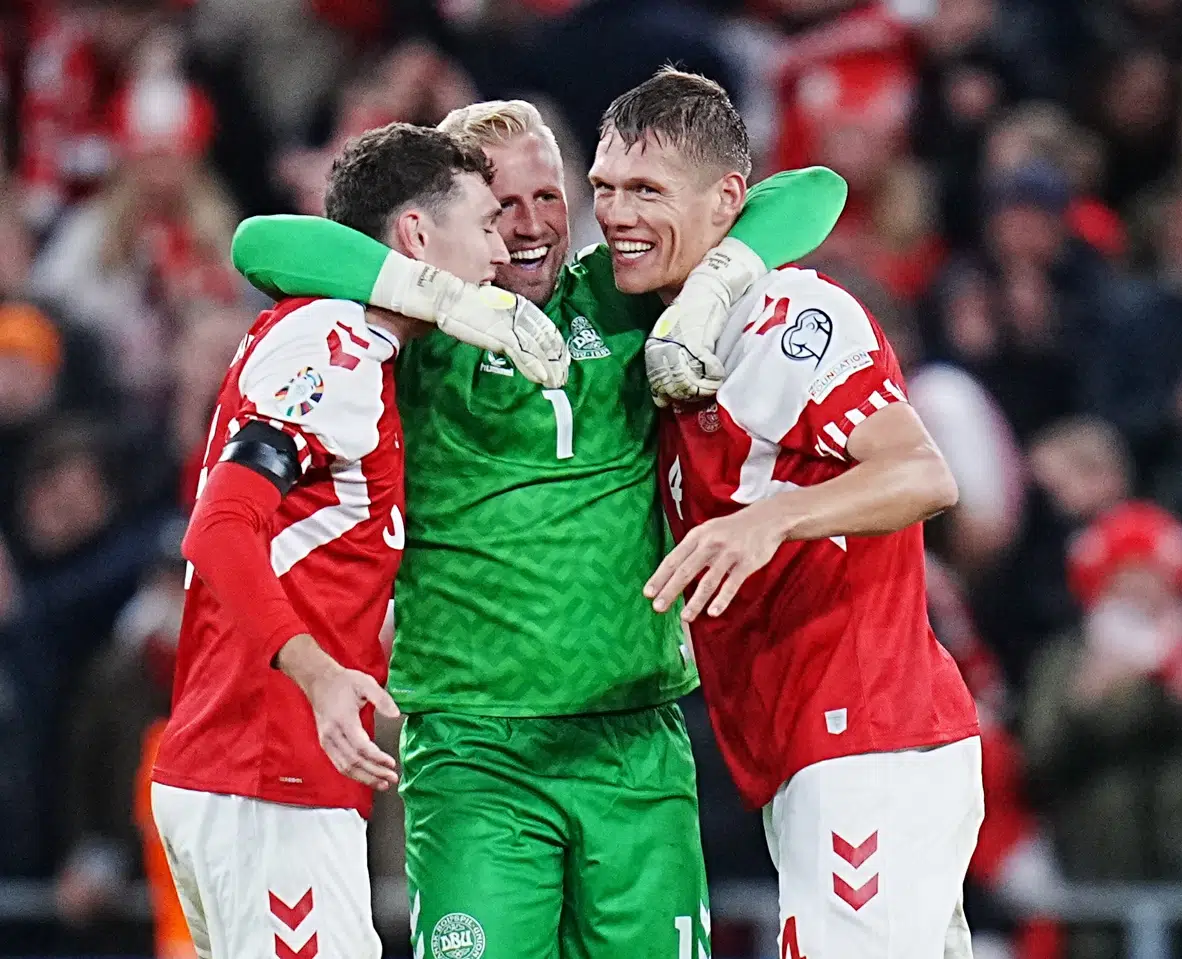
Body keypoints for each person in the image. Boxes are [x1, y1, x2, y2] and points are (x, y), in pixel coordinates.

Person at [227, 100, 847, 958]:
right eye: (501, 206)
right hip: (476, 748)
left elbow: (816, 192)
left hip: (633, 737)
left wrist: (714, 287)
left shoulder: (620, 299)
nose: (530, 227)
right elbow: (258, 242)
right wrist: (442, 298)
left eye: (549, 197)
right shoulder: (413, 334)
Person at [148, 122, 567, 959]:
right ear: (416, 234)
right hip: (266, 768)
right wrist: (318, 671)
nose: (499, 251)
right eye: (484, 223)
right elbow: (223, 527)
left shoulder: (355, 345)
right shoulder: (334, 345)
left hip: (262, 772)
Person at [595, 68, 982, 959]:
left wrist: (769, 519)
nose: (617, 214)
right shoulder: (662, 334)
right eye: (607, 189)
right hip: (801, 748)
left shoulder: (793, 314)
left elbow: (921, 473)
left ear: (728, 199)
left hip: (868, 736)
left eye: (647, 191)